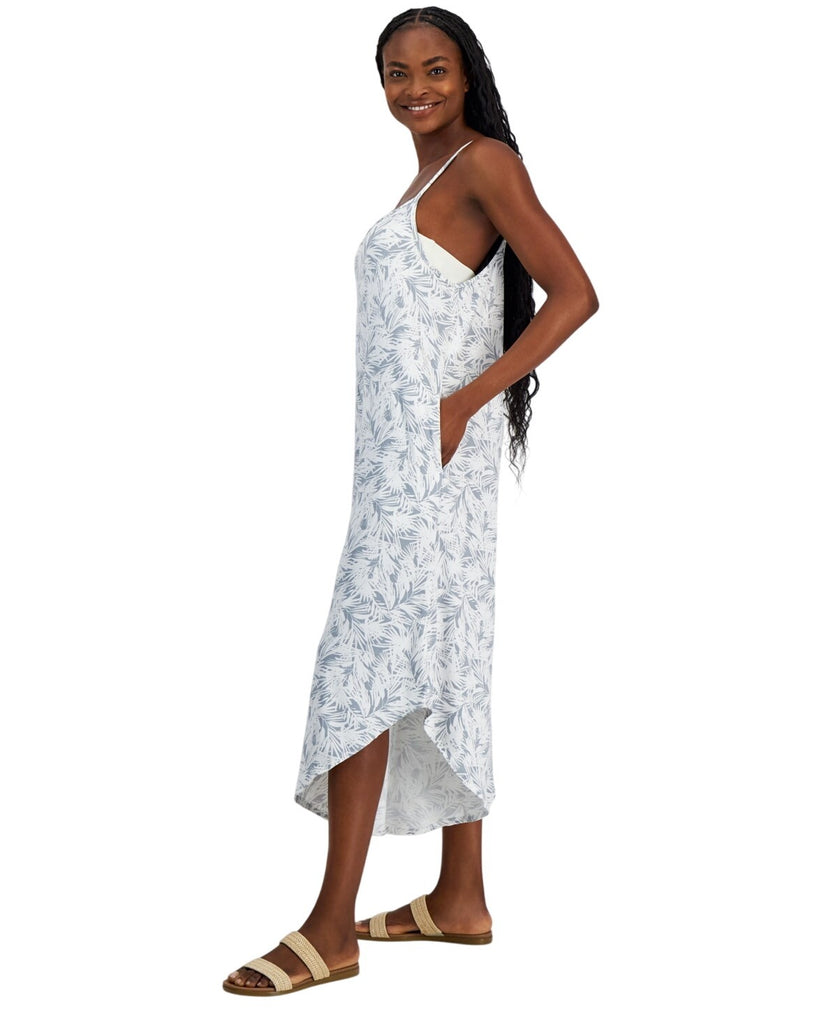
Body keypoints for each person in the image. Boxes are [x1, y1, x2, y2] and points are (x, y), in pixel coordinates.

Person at [223, 6, 598, 996]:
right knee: (446, 653)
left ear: (466, 76)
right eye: (396, 71)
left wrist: (465, 402)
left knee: (365, 665)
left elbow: (574, 292)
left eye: (434, 69)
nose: (415, 87)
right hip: (403, 469)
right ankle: (460, 897)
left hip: (430, 472)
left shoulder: (483, 164)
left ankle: (329, 927)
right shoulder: (430, 178)